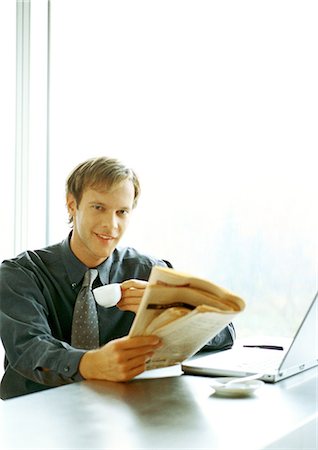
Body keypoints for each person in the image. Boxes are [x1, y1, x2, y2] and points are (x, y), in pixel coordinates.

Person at [0, 156, 235, 400]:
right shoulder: (21, 274)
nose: (111, 224)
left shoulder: (149, 271)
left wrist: (174, 309)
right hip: (34, 417)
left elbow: (225, 334)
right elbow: (28, 348)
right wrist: (90, 364)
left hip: (121, 414)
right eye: (98, 207)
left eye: (121, 212)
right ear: (72, 205)